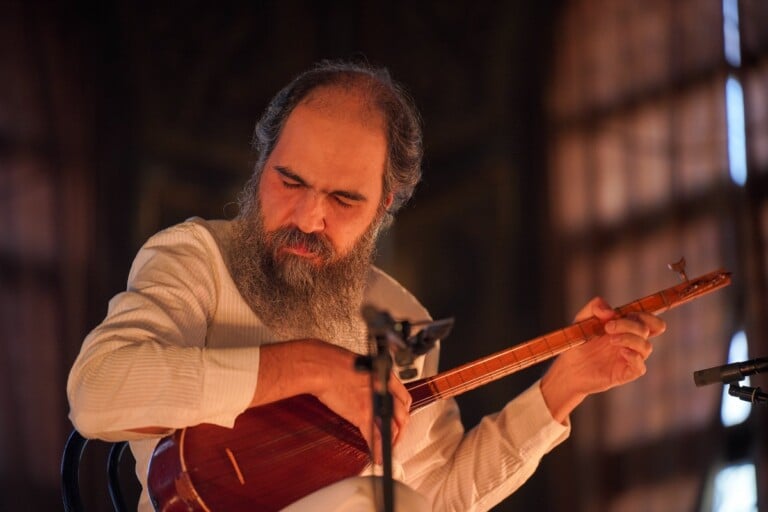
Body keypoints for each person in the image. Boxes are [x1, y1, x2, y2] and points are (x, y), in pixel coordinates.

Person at [67, 60, 665, 511]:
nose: (306, 218)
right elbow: (96, 395)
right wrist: (313, 366)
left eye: (344, 199)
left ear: (385, 206)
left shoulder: (398, 317)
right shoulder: (195, 259)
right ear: (261, 162)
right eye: (290, 180)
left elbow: (436, 495)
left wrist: (564, 387)